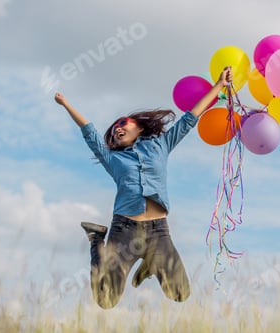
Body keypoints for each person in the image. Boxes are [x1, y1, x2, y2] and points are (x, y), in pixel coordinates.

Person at [54, 67, 233, 309]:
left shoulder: (161, 145)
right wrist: (67, 105)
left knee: (180, 294)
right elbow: (90, 133)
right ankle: (96, 238)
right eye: (113, 133)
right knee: (106, 300)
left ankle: (150, 263)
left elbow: (190, 118)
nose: (116, 130)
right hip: (124, 230)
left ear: (139, 127)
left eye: (122, 124)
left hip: (158, 231)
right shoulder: (113, 159)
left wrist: (219, 85)